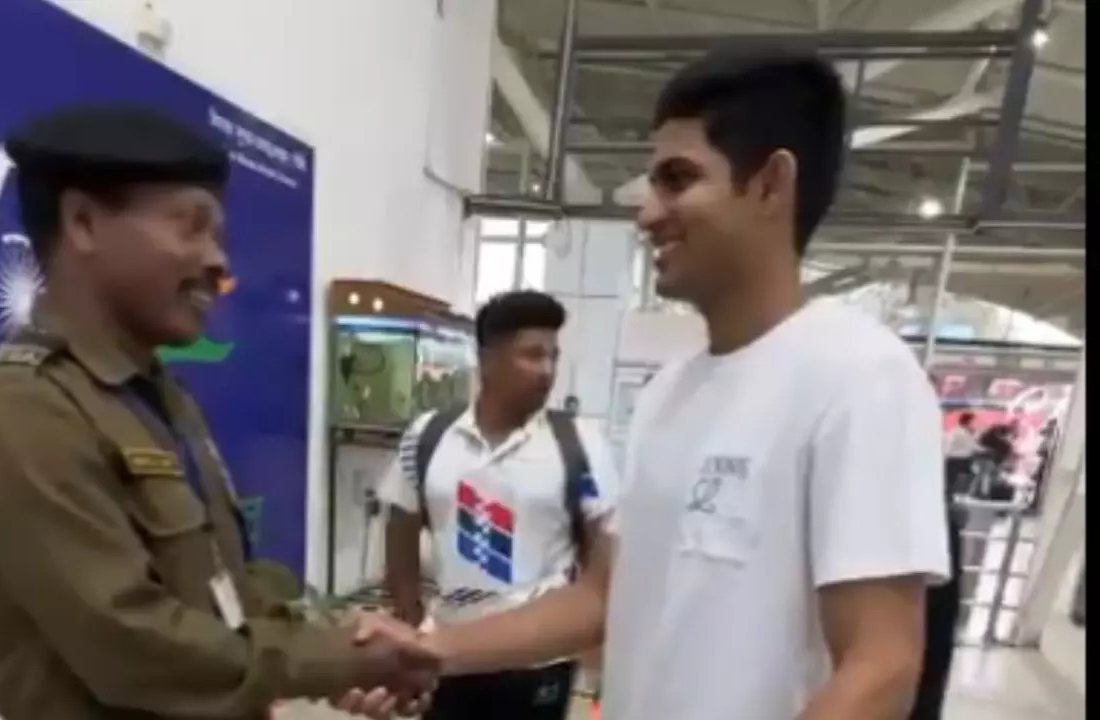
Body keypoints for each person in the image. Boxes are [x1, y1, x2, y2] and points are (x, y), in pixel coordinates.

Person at [342, 46, 951, 720]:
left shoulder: (859, 377)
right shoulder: (671, 393)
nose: (646, 212)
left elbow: (882, 667)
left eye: (678, 179)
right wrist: (436, 650)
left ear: (771, 184)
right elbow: (608, 598)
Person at [0, 105, 435, 720]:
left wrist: (336, 631)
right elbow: (131, 646)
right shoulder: (17, 410)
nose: (219, 263)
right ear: (83, 222)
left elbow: (225, 590)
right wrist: (343, 660)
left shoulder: (158, 398)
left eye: (216, 235)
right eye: (191, 228)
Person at [378, 290, 620, 720]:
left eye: (553, 356)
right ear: (487, 359)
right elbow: (400, 527)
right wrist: (409, 619)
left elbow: (600, 556)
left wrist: (595, 654)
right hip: (448, 652)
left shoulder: (580, 443)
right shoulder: (428, 436)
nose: (547, 371)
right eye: (531, 355)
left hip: (538, 663)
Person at [943, 411, 980, 495]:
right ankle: (961, 494)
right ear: (969, 422)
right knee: (974, 473)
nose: (976, 424)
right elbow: (973, 447)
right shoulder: (962, 433)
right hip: (960, 460)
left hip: (953, 459)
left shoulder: (957, 430)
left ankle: (953, 497)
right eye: (974, 422)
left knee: (950, 482)